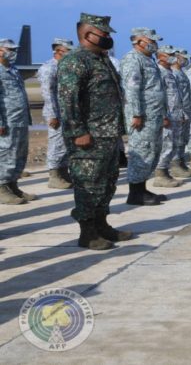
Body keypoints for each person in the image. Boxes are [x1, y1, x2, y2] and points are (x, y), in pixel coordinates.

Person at [57, 13, 131, 249]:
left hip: (107, 134)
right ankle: (87, 233)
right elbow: (68, 101)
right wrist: (78, 131)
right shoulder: (75, 61)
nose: (108, 37)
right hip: (88, 137)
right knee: (88, 185)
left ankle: (102, 225)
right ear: (88, 34)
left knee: (107, 183)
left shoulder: (101, 59)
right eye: (104, 33)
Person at [121, 28, 167, 206]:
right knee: (141, 151)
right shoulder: (133, 59)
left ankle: (142, 189)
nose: (155, 45)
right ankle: (135, 193)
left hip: (153, 114)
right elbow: (132, 89)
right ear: (140, 41)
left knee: (152, 151)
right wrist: (136, 114)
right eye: (152, 41)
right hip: (142, 116)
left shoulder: (148, 59)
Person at [36, 38, 74, 189]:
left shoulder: (65, 66)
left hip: (67, 112)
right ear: (58, 51)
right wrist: (53, 115)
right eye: (68, 50)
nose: (71, 53)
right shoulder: (48, 68)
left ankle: (63, 172)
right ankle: (54, 175)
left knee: (65, 144)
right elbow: (47, 94)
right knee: (56, 143)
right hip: (56, 113)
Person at [0, 38, 35, 204]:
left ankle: (12, 185)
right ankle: (1, 188)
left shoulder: (13, 69)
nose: (13, 53)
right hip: (7, 121)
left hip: (20, 119)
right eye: (10, 49)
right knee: (6, 153)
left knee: (19, 153)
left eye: (14, 50)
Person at [153, 45, 186, 188]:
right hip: (167, 116)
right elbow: (158, 97)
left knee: (172, 145)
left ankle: (165, 173)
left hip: (175, 115)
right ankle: (160, 176)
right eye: (170, 55)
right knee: (166, 145)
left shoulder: (169, 72)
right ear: (161, 56)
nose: (174, 57)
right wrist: (163, 116)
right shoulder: (158, 72)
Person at [170, 48, 191, 177]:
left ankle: (181, 163)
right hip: (176, 112)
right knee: (176, 139)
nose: (185, 60)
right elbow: (173, 96)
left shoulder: (182, 73)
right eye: (183, 58)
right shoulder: (173, 73)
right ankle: (175, 165)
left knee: (183, 139)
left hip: (185, 110)